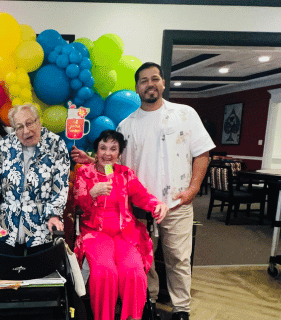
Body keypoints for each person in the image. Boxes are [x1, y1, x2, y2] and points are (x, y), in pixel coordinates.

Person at [72, 62, 215, 320]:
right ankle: (146, 303)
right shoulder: (127, 124)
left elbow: (202, 154)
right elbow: (111, 165)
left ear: (162, 83)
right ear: (137, 87)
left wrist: (193, 189)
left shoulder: (185, 114)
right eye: (144, 81)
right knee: (141, 261)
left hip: (176, 203)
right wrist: (91, 162)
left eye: (155, 79)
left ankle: (181, 308)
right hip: (135, 209)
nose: (150, 84)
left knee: (178, 259)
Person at [73, 130, 168, 320]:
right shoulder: (85, 172)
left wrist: (158, 204)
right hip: (95, 232)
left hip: (125, 232)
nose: (107, 153)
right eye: (103, 148)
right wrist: (91, 193)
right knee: (104, 272)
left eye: (113, 149)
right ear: (96, 150)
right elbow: (77, 204)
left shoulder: (125, 174)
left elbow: (142, 196)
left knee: (134, 272)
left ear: (119, 153)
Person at [0, 103, 69, 256]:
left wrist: (54, 215)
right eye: (19, 127)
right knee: (8, 273)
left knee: (39, 273)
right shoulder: (4, 145)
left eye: (29, 123)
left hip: (42, 225)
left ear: (39, 121)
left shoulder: (56, 145)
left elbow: (61, 185)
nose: (26, 131)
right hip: (8, 226)